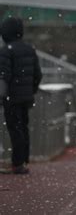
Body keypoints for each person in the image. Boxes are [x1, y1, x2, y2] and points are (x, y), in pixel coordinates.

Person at [0, 17, 42, 174]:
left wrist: (2, 96)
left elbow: (3, 76)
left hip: (12, 98)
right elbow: (38, 74)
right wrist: (31, 90)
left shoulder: (6, 51)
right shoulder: (29, 49)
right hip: (26, 97)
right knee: (23, 128)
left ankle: (17, 163)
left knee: (14, 129)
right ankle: (22, 161)